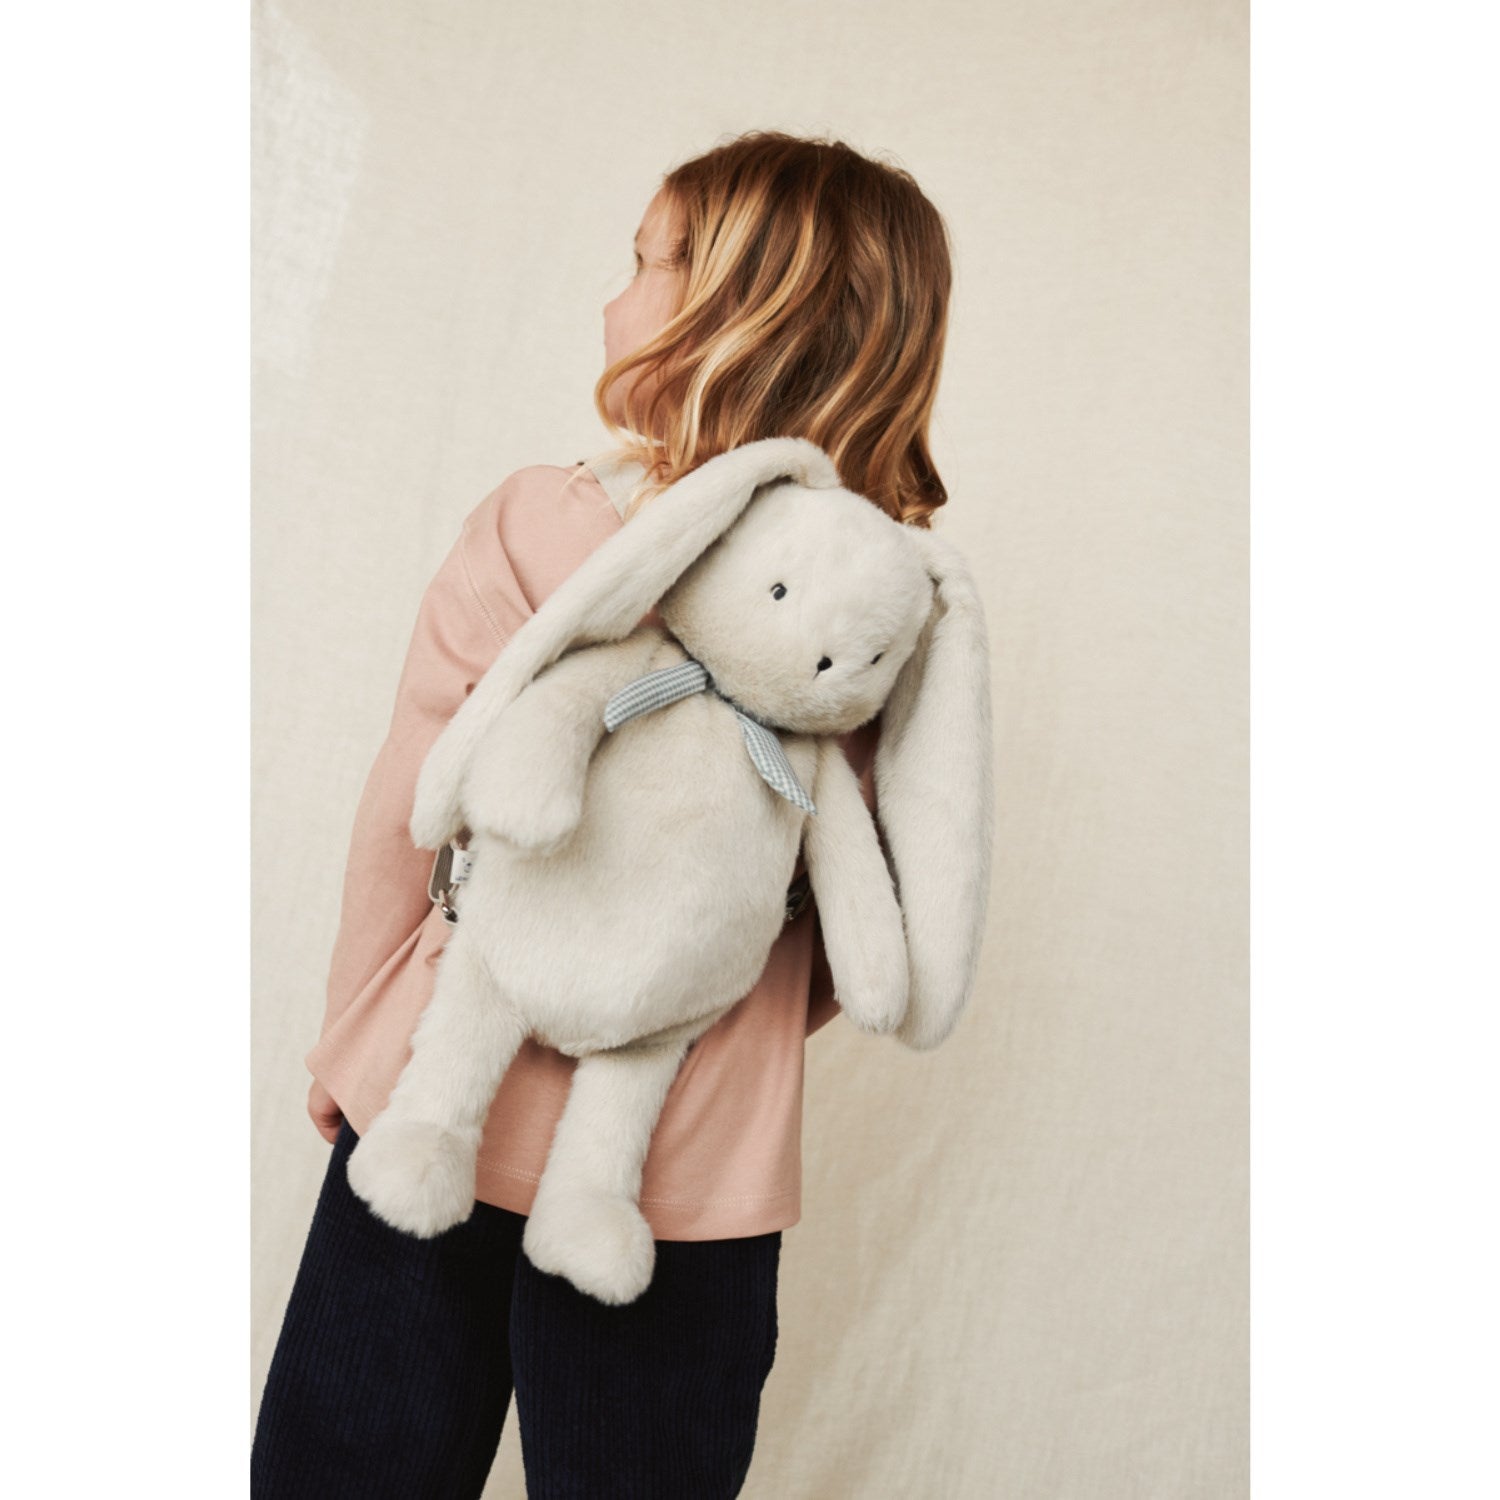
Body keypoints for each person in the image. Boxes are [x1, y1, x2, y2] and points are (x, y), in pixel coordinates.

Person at [252, 128, 955, 1499]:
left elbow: (410, 801)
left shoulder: (540, 525)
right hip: (681, 1171)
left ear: (738, 311)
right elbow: (856, 920)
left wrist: (354, 1033)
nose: (614, 297)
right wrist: (710, 994)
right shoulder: (888, 618)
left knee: (341, 1469)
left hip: (435, 1096)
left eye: (646, 263)